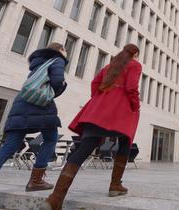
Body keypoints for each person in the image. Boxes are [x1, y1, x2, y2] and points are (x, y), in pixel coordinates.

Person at [0, 43, 68, 210]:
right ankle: (35, 180)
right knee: (51, 139)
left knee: (8, 148)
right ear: (61, 50)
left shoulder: (38, 63)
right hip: (41, 108)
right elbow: (56, 82)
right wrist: (61, 87)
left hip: (20, 107)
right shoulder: (57, 59)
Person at [40, 44, 141, 210]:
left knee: (84, 148)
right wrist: (136, 107)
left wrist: (100, 101)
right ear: (135, 54)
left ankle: (55, 198)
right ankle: (115, 185)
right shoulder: (135, 65)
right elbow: (131, 88)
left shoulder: (110, 65)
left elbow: (95, 83)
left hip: (99, 110)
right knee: (124, 143)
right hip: (121, 111)